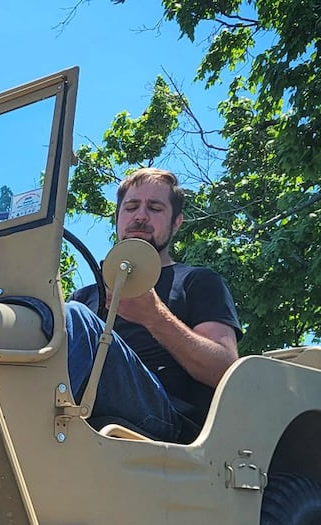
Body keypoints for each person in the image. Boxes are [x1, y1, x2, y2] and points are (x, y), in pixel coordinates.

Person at [65, 168, 242, 443]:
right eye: (131, 206)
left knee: (73, 319)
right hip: (83, 409)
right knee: (42, 316)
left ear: (176, 223)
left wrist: (155, 317)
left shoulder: (198, 281)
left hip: (167, 419)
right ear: (118, 218)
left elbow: (225, 370)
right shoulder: (84, 296)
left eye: (155, 208)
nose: (140, 216)